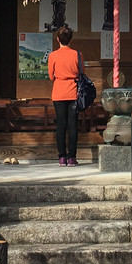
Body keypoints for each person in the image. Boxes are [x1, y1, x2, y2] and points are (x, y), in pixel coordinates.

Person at [46, 26, 82, 166]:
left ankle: (62, 157)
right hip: (73, 92)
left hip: (59, 92)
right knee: (72, 125)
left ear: (57, 40)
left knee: (61, 125)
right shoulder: (77, 54)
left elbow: (51, 76)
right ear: (71, 40)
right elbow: (81, 73)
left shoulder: (53, 56)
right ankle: (72, 157)